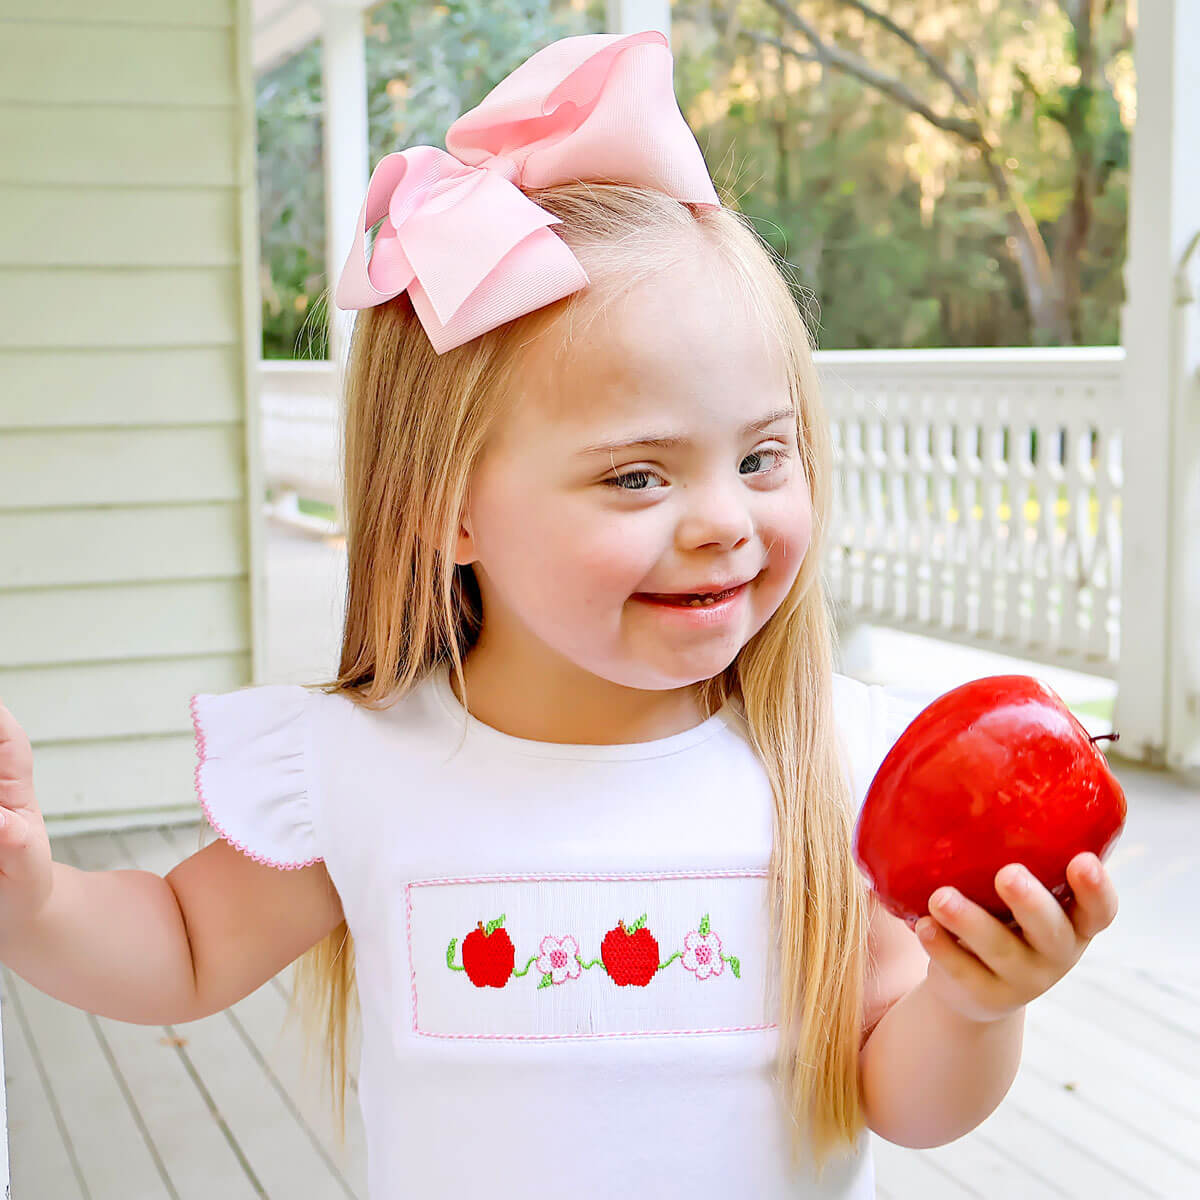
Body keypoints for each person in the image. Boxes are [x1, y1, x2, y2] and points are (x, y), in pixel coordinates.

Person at [0, 30, 1118, 1199]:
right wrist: (32, 894)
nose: (724, 522)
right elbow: (180, 951)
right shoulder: (363, 765)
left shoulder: (830, 767)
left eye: (762, 456)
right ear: (448, 509)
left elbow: (901, 1095)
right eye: (638, 475)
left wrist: (976, 1005)